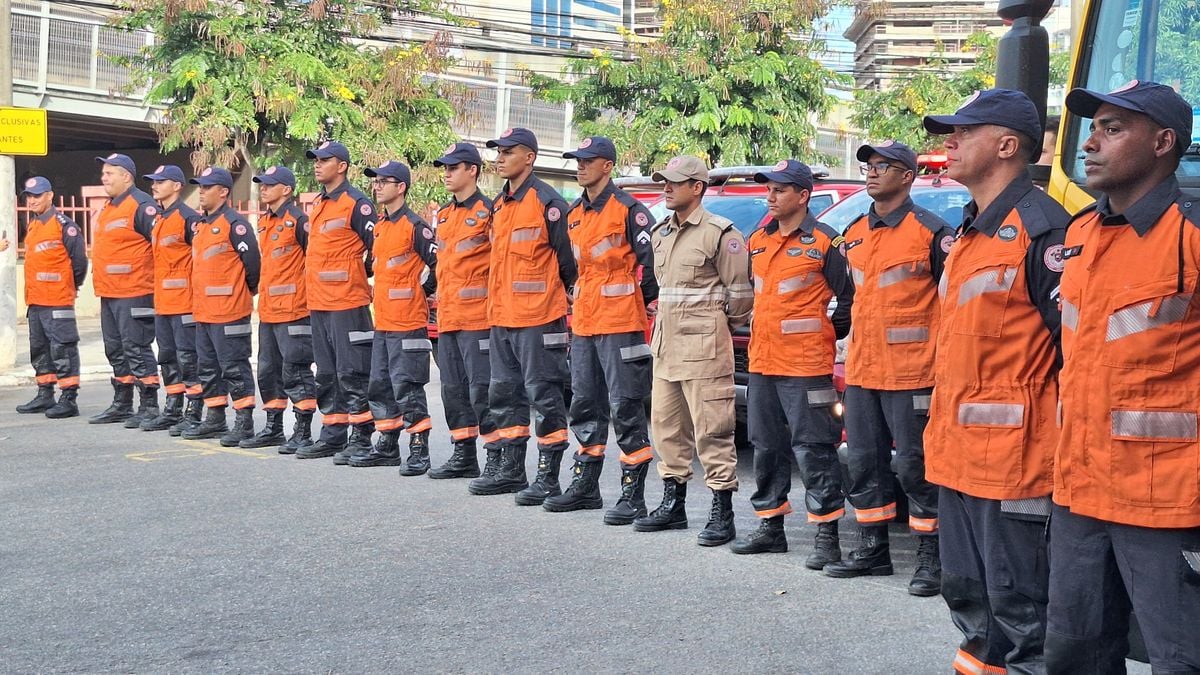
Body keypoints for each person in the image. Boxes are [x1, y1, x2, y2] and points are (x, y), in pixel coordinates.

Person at [1045, 81, 1200, 674]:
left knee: (1181, 659)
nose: (1090, 142)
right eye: (1093, 127)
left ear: (1163, 143)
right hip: (1080, 491)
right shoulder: (1081, 235)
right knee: (1075, 653)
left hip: (1167, 500)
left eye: (1113, 129)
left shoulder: (1189, 233)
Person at [922, 89, 1068, 673]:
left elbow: (1076, 353)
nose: (948, 143)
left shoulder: (1044, 232)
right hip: (957, 457)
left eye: (964, 132)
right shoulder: (971, 233)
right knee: (970, 604)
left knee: (1022, 612)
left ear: (1008, 146)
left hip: (1015, 465)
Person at [824, 142, 954, 596]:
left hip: (914, 372)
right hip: (862, 371)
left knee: (918, 466)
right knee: (862, 463)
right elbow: (852, 300)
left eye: (883, 166)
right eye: (868, 166)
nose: (872, 173)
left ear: (907, 176)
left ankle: (931, 556)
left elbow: (953, 306)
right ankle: (872, 549)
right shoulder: (855, 232)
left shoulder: (933, 233)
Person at [730, 159, 854, 560]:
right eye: (768, 188)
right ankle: (770, 525)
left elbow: (849, 299)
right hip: (763, 363)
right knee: (765, 446)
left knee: (814, 448)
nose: (770, 196)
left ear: (802, 196)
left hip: (806, 367)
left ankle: (826, 536)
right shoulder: (758, 239)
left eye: (779, 190)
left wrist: (824, 333)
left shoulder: (825, 241)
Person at [633, 155, 753, 546]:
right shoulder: (662, 233)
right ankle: (673, 504)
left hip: (704, 349)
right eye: (664, 182)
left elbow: (740, 300)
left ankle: (722, 510)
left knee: (713, 432)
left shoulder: (722, 234)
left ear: (697, 187)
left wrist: (714, 328)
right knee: (667, 429)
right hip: (666, 348)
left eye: (675, 182)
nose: (666, 188)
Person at [542, 136, 659, 524]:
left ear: (607, 166)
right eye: (578, 161)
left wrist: (630, 303)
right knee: (584, 405)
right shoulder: (575, 213)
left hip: (622, 324)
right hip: (587, 324)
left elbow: (652, 268)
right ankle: (586, 487)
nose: (580, 167)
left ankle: (633, 496)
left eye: (588, 161)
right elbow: (573, 269)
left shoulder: (629, 210)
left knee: (625, 406)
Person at [466, 128, 577, 504]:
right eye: (498, 151)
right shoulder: (500, 204)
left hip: (539, 319)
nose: (499, 158)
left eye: (508, 151)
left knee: (545, 396)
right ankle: (512, 470)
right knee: (504, 395)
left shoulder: (548, 202)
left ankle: (548, 477)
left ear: (529, 157)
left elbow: (569, 264)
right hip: (501, 319)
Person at [347, 160, 438, 473]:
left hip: (409, 324)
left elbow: (438, 266)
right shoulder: (383, 227)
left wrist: (419, 291)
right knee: (380, 386)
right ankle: (387, 445)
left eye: (384, 181)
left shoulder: (416, 227)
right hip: (383, 323)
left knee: (408, 387)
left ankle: (419, 449)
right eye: (376, 182)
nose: (377, 186)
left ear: (401, 187)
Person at [294, 141, 378, 463]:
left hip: (347, 301)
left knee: (353, 371)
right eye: (315, 159)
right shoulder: (319, 203)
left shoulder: (356, 203)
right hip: (319, 302)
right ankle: (333, 433)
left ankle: (361, 436)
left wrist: (357, 271)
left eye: (324, 160)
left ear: (341, 166)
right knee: (326, 372)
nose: (317, 164)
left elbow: (377, 247)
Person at [427, 142, 501, 480]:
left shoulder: (490, 211)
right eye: (445, 167)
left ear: (472, 170)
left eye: (453, 167)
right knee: (452, 390)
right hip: (448, 317)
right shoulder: (443, 214)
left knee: (482, 390)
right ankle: (463, 453)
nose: (447, 173)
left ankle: (497, 456)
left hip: (479, 319)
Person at [239, 166, 319, 453]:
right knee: (268, 372)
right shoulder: (265, 221)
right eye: (261, 185)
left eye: (269, 185)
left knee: (295, 371)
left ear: (286, 189)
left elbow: (315, 259)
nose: (263, 189)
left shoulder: (298, 220)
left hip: (295, 310)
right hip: (271, 311)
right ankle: (273, 427)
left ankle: (303, 430)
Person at [181, 167, 261, 446]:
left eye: (206, 187)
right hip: (204, 313)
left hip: (230, 311)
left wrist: (243, 292)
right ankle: (215, 418)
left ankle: (244, 421)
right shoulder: (201, 226)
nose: (201, 192)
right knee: (208, 368)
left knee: (234, 368)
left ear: (223, 192)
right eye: (199, 187)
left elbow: (253, 268)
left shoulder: (235, 224)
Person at [88, 153, 161, 426]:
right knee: (115, 349)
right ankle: (122, 403)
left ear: (126, 176)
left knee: (136, 347)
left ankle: (149, 405)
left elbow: (162, 246)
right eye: (103, 173)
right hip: (110, 292)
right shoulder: (109, 208)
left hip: (135, 291)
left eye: (110, 173)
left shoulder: (142, 205)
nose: (104, 178)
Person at [12, 177, 87, 418]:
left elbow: (79, 263)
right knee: (40, 350)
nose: (32, 200)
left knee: (62, 350)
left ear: (50, 196)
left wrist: (69, 286)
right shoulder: (33, 226)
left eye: (38, 195)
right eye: (29, 196)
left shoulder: (64, 225)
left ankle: (68, 398)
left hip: (58, 300)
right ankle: (45, 394)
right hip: (35, 302)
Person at [138, 165, 204, 434]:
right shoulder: (159, 219)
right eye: (153, 181)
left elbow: (201, 261)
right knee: (167, 357)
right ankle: (174, 408)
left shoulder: (189, 219)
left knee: (189, 358)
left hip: (185, 304)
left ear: (177, 186)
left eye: (161, 181)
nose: (154, 185)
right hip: (163, 303)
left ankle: (195, 410)